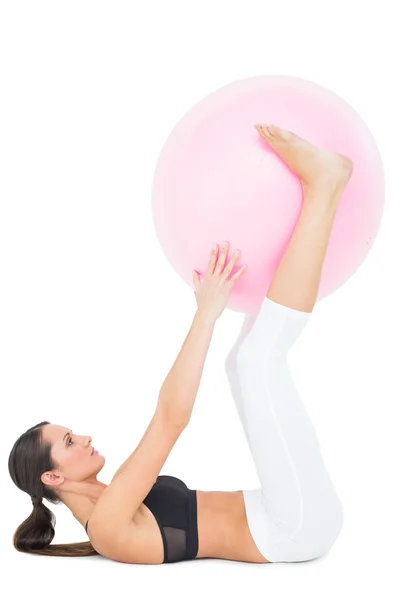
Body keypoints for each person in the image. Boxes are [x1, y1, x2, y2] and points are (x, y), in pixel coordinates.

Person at [8, 123, 352, 563]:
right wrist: (205, 314)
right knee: (256, 361)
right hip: (293, 529)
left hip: (285, 513)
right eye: (70, 442)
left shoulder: (110, 502)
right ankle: (324, 187)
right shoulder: (108, 525)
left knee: (240, 362)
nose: (85, 437)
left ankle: (318, 199)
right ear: (53, 478)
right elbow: (172, 418)